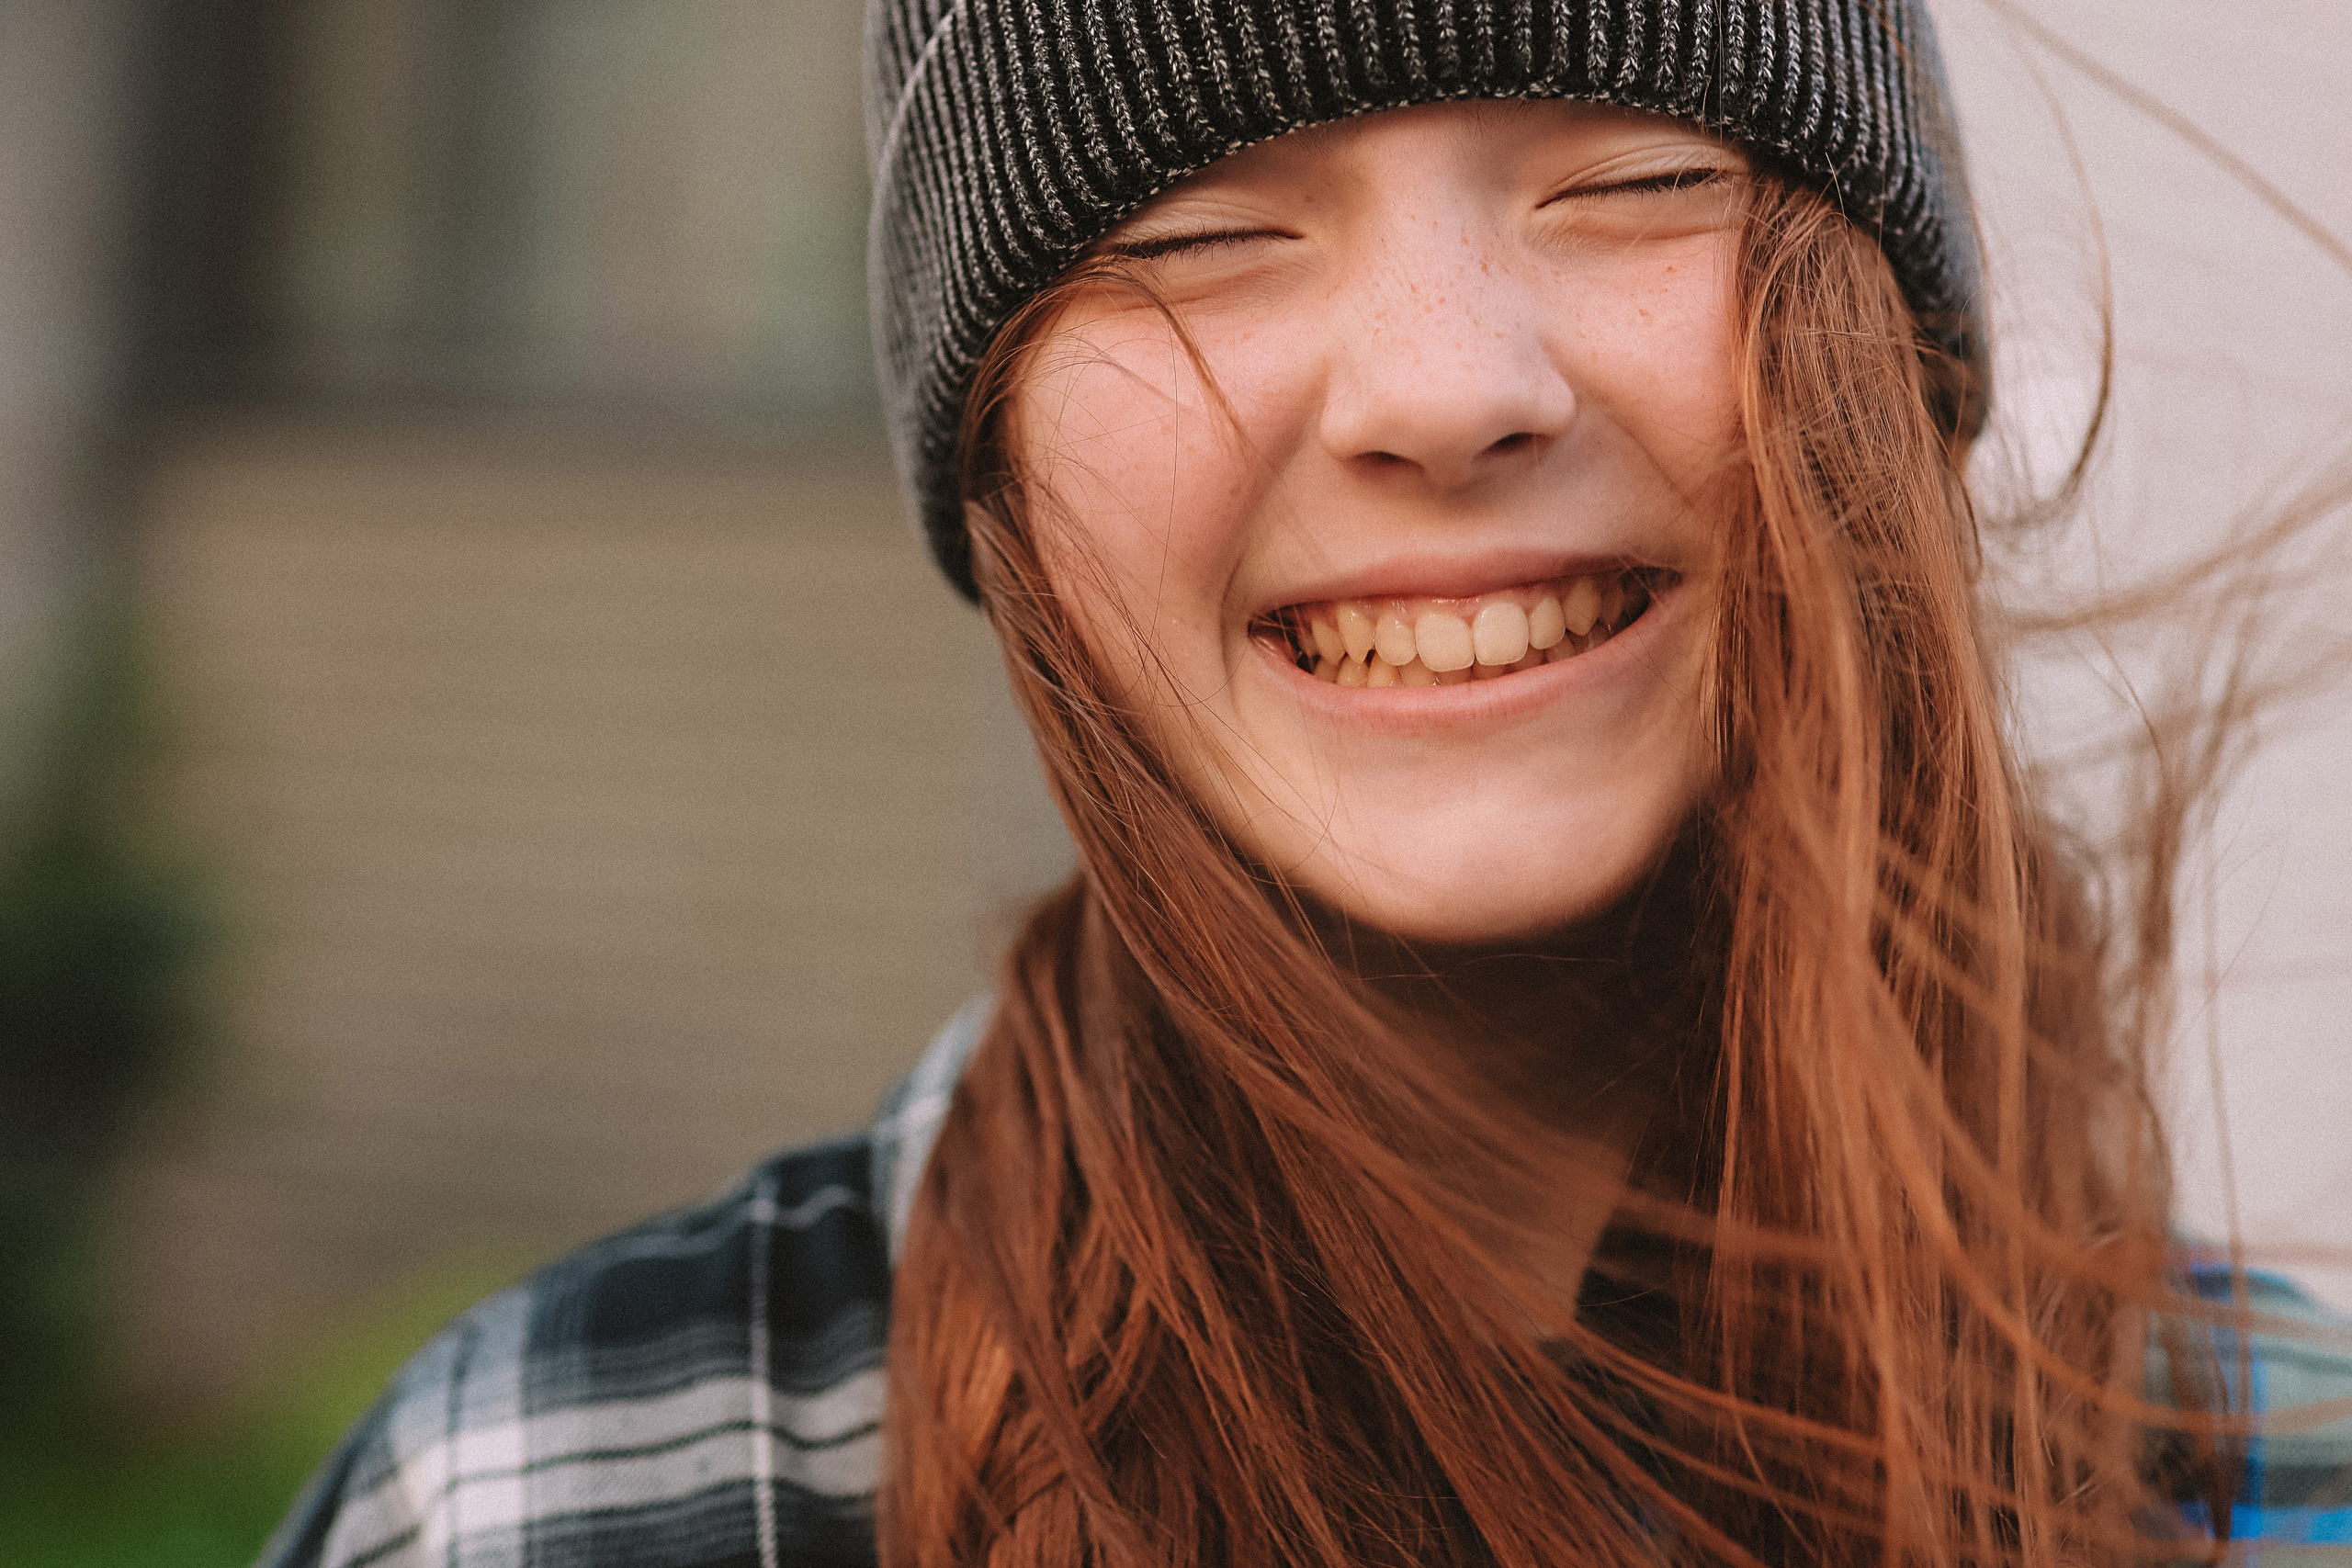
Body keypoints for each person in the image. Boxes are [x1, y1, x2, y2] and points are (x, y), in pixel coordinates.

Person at [259, 3, 2352, 1564]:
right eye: (1198, 228)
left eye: (1632, 176)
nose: (1447, 386)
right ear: (998, 461)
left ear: (1894, 346)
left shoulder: (2286, 1477)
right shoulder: (556, 1495)